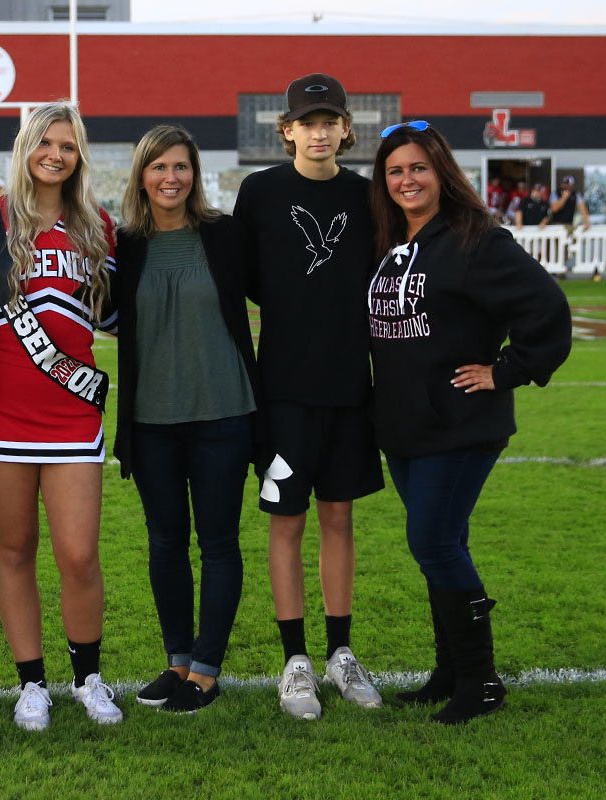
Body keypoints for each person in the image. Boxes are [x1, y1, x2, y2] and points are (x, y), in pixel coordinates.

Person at [368, 120, 571, 724]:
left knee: (432, 542)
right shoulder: (386, 238)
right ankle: (450, 671)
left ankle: (481, 684)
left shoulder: (476, 239)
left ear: (441, 172)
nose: (407, 179)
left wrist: (504, 371)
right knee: (442, 547)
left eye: (418, 168)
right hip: (403, 424)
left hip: (460, 423)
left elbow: (548, 310)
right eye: (395, 170)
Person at [233, 73, 385, 721]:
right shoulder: (261, 192)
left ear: (346, 129)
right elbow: (242, 286)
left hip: (351, 390)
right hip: (285, 393)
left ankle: (341, 652)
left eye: (331, 121)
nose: (319, 132)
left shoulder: (369, 196)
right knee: (286, 524)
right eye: (307, 121)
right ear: (287, 129)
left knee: (340, 519)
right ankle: (295, 660)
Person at [0, 101, 120, 732]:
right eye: (46, 143)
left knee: (79, 554)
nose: (56, 155)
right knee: (14, 547)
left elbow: (114, 318)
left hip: (71, 411)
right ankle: (32, 684)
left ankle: (88, 676)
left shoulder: (99, 227)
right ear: (25, 147)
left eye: (68, 145)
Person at [114, 125, 258, 713]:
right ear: (141, 175)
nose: (170, 178)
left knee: (218, 542)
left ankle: (206, 669)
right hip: (151, 420)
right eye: (158, 167)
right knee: (165, 542)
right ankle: (177, 662)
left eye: (181, 167)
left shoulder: (224, 235)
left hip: (224, 411)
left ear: (195, 174)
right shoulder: (125, 243)